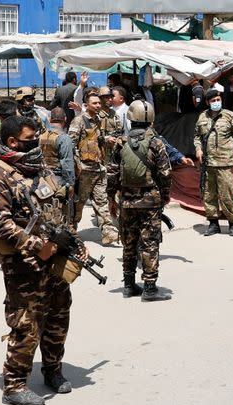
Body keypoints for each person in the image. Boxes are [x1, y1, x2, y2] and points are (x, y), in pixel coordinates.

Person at [0, 116, 78, 405]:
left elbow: (56, 207)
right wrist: (38, 246)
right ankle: (14, 384)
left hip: (53, 258)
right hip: (23, 263)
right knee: (27, 321)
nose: (36, 143)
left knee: (59, 313)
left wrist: (71, 241)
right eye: (30, 139)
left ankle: (53, 370)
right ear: (12, 142)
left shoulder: (38, 168)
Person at [106, 100, 173, 301]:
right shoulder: (156, 143)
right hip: (150, 202)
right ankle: (150, 288)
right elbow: (165, 173)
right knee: (150, 242)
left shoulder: (120, 143)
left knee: (129, 242)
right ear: (150, 119)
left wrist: (111, 197)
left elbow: (111, 174)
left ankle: (128, 286)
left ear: (130, 118)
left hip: (126, 201)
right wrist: (165, 194)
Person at [68, 90, 119, 245]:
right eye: (94, 103)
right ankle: (71, 229)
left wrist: (106, 140)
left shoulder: (98, 120)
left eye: (98, 103)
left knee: (102, 200)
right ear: (86, 105)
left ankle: (108, 232)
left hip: (99, 167)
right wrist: (77, 166)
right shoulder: (78, 121)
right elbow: (71, 144)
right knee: (80, 202)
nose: (98, 105)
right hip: (84, 170)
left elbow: (98, 139)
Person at [194, 89, 233, 236]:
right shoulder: (202, 117)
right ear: (207, 103)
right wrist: (198, 149)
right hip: (208, 163)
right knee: (209, 194)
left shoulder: (229, 116)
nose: (216, 103)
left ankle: (232, 223)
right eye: (213, 101)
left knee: (227, 193)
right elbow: (197, 136)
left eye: (218, 100)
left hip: (224, 162)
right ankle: (213, 223)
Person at [39, 107, 75, 192]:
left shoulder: (41, 136)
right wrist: (70, 184)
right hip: (58, 179)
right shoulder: (64, 138)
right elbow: (67, 163)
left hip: (42, 178)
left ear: (50, 119)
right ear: (65, 119)